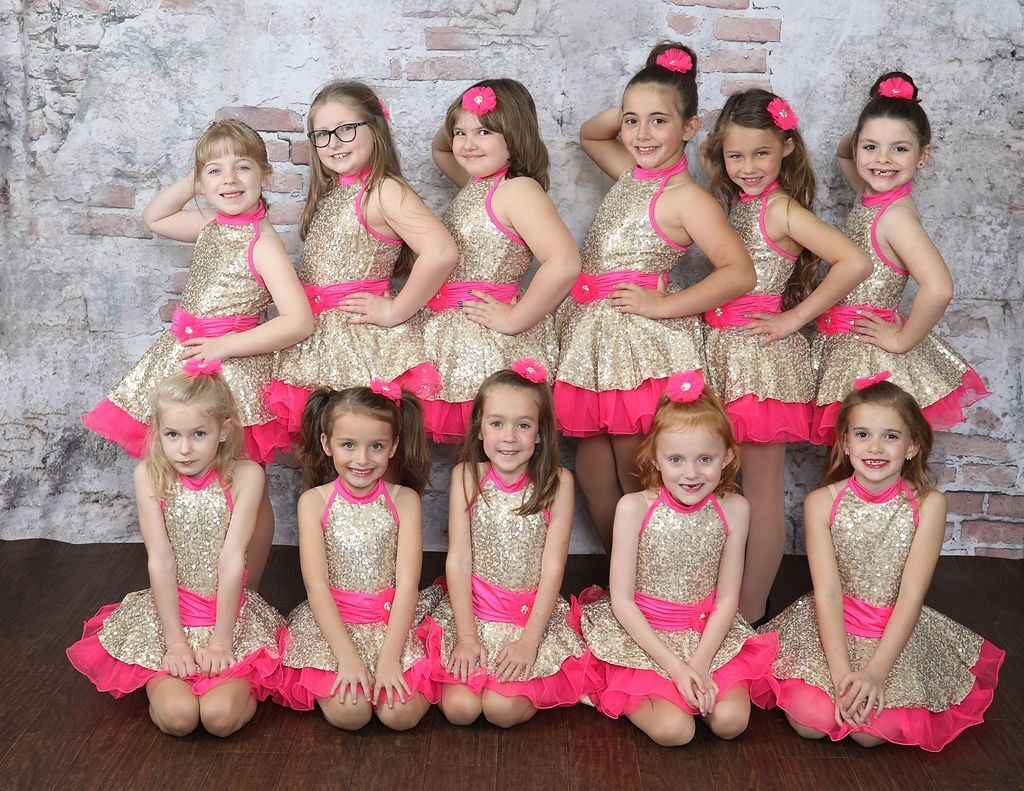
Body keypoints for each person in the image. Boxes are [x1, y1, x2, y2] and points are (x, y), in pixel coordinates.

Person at [82, 119, 314, 588]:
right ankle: (195, 583)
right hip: (186, 358)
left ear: (266, 177)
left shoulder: (263, 243)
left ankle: (247, 589)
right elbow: (155, 217)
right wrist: (199, 176)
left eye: (242, 168)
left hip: (231, 368)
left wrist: (224, 346)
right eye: (215, 172)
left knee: (246, 484)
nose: (229, 180)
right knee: (186, 470)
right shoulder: (211, 223)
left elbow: (299, 321)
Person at [554, 43, 755, 549]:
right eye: (632, 121)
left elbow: (739, 273)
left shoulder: (686, 197)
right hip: (596, 341)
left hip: (639, 348)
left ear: (690, 127)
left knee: (635, 477)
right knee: (594, 475)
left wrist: (662, 304)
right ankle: (624, 577)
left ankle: (658, 590)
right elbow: (589, 133)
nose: (641, 134)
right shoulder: (630, 173)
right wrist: (646, 92)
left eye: (659, 121)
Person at [752, 375, 1004, 750]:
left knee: (871, 733)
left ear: (913, 446)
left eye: (890, 436)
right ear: (845, 442)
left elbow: (911, 596)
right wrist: (841, 675)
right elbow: (828, 592)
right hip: (831, 625)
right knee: (813, 723)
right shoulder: (821, 502)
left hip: (891, 631)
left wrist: (875, 673)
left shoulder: (928, 505)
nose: (875, 447)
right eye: (863, 434)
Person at [700, 89, 871, 622]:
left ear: (787, 149)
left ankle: (749, 613)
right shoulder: (732, 205)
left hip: (758, 359)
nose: (748, 167)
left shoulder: (781, 210)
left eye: (761, 154)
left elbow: (853, 261)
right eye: (735, 155)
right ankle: (720, 596)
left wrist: (794, 318)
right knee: (716, 480)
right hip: (718, 351)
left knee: (761, 491)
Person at [68, 370, 284, 737]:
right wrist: (175, 644)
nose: (184, 449)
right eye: (173, 435)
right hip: (170, 617)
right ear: (159, 432)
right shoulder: (149, 476)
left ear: (224, 430)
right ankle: (167, 684)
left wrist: (220, 643)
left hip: (227, 618)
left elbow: (233, 558)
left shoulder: (247, 475)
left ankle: (235, 688)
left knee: (219, 720)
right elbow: (162, 560)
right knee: (180, 719)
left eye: (199, 434)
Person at [574, 371, 777, 746]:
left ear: (727, 456)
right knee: (675, 732)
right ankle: (620, 689)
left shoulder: (734, 509)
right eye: (677, 459)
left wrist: (698, 664)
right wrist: (675, 668)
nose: (691, 473)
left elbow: (728, 598)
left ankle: (689, 681)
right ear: (656, 457)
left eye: (705, 459)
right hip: (644, 633)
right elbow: (621, 599)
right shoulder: (633, 507)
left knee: (731, 722)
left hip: (705, 634)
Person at [265, 81, 456, 446]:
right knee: (329, 454)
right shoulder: (337, 191)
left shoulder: (383, 190)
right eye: (322, 134)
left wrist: (396, 310)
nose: (334, 143)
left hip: (361, 342)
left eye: (346, 129)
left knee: (367, 448)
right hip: (320, 341)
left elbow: (441, 252)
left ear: (376, 128)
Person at [811, 72, 989, 445]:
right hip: (841, 347)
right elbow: (844, 153)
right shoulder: (870, 191)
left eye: (900, 149)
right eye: (871, 147)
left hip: (869, 359)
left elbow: (939, 287)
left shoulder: (896, 217)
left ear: (923, 156)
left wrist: (902, 340)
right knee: (847, 461)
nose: (883, 159)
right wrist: (870, 128)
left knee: (869, 458)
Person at [419, 362, 596, 727]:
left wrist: (529, 641)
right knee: (461, 710)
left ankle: (535, 679)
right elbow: (459, 560)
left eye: (523, 425)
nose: (510, 437)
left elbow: (553, 567)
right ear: (480, 428)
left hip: (527, 617)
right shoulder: (466, 476)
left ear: (541, 434)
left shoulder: (557, 483)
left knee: (500, 712)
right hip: (473, 612)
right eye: (497, 423)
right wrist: (466, 638)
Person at [422, 79, 580, 443]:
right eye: (460, 133)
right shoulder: (477, 182)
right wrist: (469, 114)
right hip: (458, 338)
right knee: (476, 458)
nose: (467, 144)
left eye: (484, 131)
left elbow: (564, 262)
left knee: (498, 447)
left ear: (515, 133)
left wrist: (514, 318)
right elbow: (441, 148)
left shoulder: (517, 189)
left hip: (492, 343)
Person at [271, 384, 437, 730]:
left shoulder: (404, 500)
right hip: (334, 624)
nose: (362, 460)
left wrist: (390, 659)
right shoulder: (314, 502)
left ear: (393, 447)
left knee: (399, 716)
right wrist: (347, 659)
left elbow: (408, 585)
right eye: (349, 445)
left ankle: (394, 672)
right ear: (326, 444)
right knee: (352, 714)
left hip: (392, 623)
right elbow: (316, 587)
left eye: (376, 446)